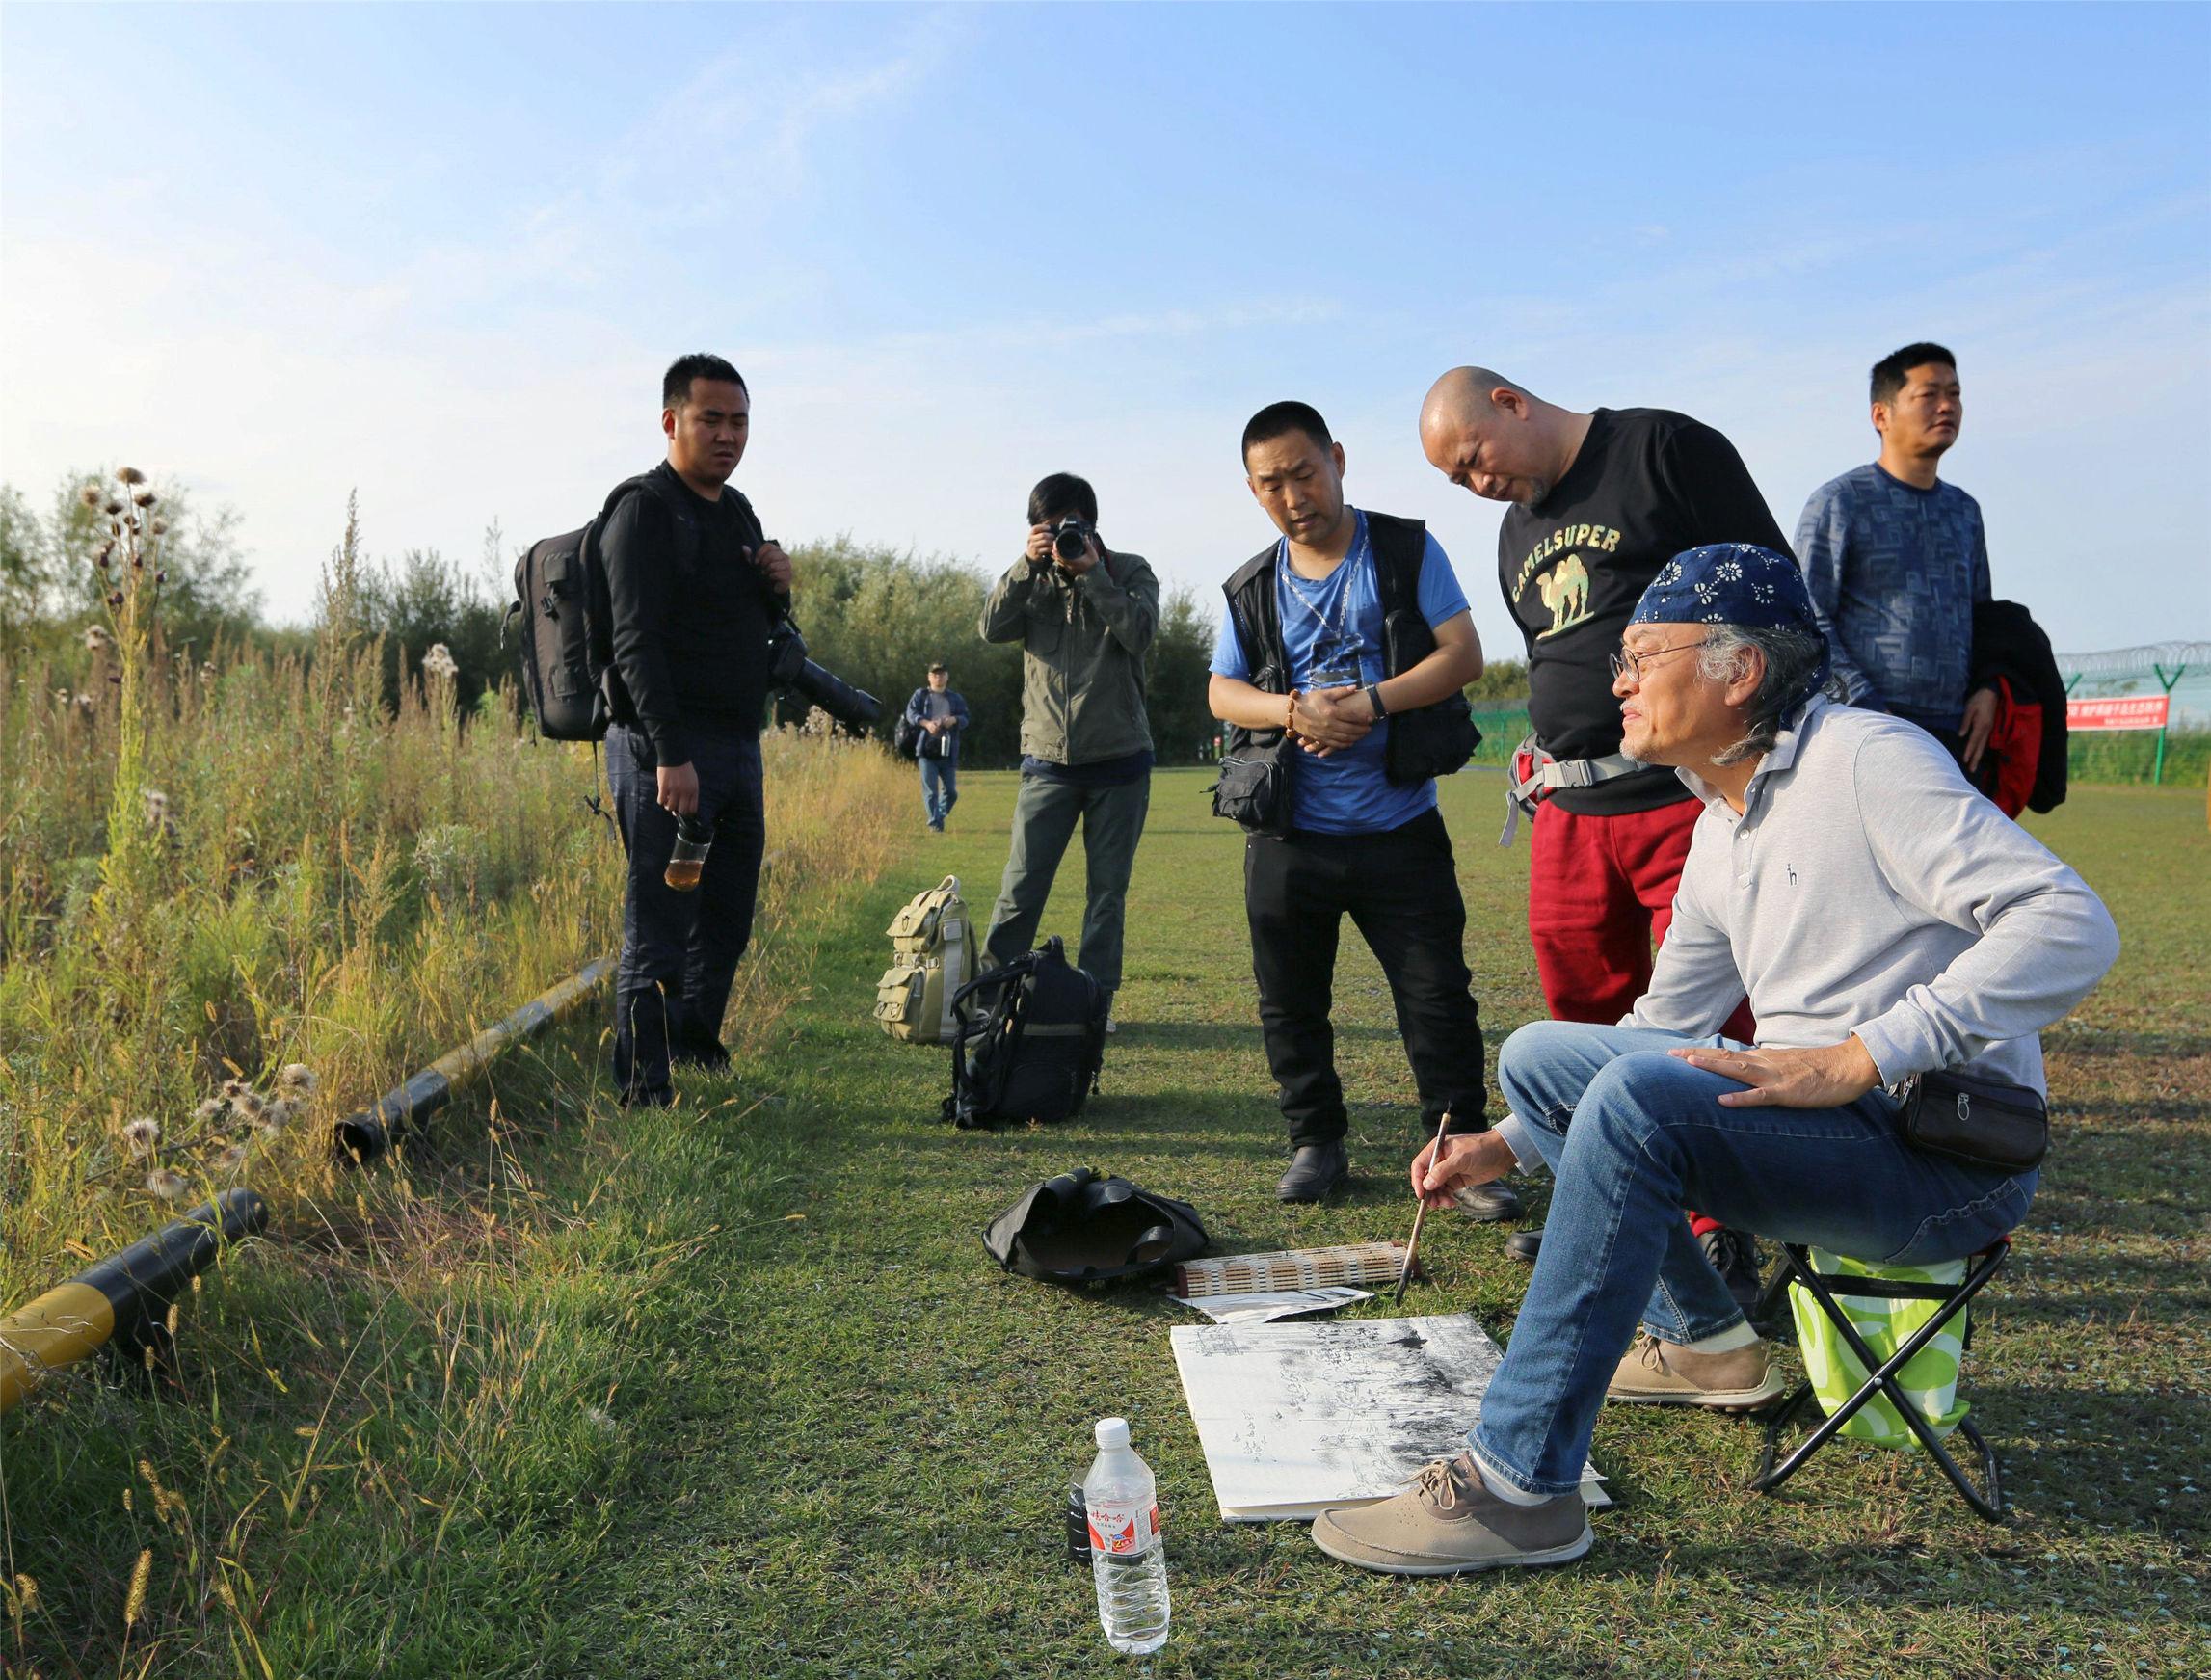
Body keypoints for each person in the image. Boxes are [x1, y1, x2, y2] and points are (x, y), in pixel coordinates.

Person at [1309, 543, 2117, 1576]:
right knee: (1544, 1058)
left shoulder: (1865, 758)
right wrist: (1504, 1146)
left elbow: (2068, 922)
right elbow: (1660, 1025)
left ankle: (1517, 1487)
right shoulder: (1718, 816)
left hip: (1942, 1159)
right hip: (1828, 1128)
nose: (1618, 682)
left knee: (1640, 1101)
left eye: (1642, 654)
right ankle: (1706, 1346)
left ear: (1736, 671)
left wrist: (1862, 1055)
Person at [1419, 366, 1790, 1298]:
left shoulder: (1663, 448)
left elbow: (1767, 592)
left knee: (1705, 1016)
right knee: (1581, 1023)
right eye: (1457, 480)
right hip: (1572, 807)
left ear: (1511, 401)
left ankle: (1721, 1223)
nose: (1477, 484)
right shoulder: (1515, 534)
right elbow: (1562, 651)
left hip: (1678, 793)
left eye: (1474, 459)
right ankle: (1606, 1206)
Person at [1208, 402, 1513, 1213]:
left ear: (1338, 459)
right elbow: (1221, 689)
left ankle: (1458, 1150)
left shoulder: (1406, 549)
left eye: (1305, 473)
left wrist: (1370, 703)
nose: (1293, 495)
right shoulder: (1249, 586)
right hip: (1288, 835)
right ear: (1253, 489)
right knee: (1291, 1000)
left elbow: (1464, 654)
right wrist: (1291, 711)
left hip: (1400, 826)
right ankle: (1316, 1142)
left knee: (1437, 995)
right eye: (1271, 484)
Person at [601, 353, 792, 1107]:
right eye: (711, 418)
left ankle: (697, 1049)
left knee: (724, 920)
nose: (727, 434)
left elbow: (747, 625)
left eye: (739, 420)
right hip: (666, 753)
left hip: (739, 749)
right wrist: (671, 754)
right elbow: (634, 643)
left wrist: (777, 587)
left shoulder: (737, 510)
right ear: (671, 420)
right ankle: (644, 1090)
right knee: (657, 926)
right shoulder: (643, 511)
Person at [978, 473, 1158, 1028]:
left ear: (1093, 524)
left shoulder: (1129, 570)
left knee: (1106, 898)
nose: (1063, 535)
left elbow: (1142, 634)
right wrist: (1024, 566)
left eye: (1073, 524)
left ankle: (1094, 1007)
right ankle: (986, 1002)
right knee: (1020, 890)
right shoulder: (1030, 580)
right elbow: (990, 629)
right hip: (1048, 764)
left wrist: (1095, 575)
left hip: (1120, 760)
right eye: (1051, 527)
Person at [1796, 342, 1996, 770]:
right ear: (1881, 415)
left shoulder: (1965, 511)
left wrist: (1987, 687)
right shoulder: (1840, 502)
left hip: (1955, 729)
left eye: (1955, 394)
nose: (1947, 406)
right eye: (1929, 395)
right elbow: (1807, 615)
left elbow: (1982, 614)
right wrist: (1862, 702)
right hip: (1866, 727)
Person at [903, 661, 971, 831]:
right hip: (926, 749)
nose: (938, 677)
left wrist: (954, 720)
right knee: (931, 791)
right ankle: (935, 824)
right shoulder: (921, 695)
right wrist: (926, 723)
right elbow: (911, 714)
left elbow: (965, 718)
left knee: (951, 792)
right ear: (929, 677)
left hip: (948, 750)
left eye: (941, 674)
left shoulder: (956, 698)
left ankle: (938, 816)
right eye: (935, 674)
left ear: (947, 677)